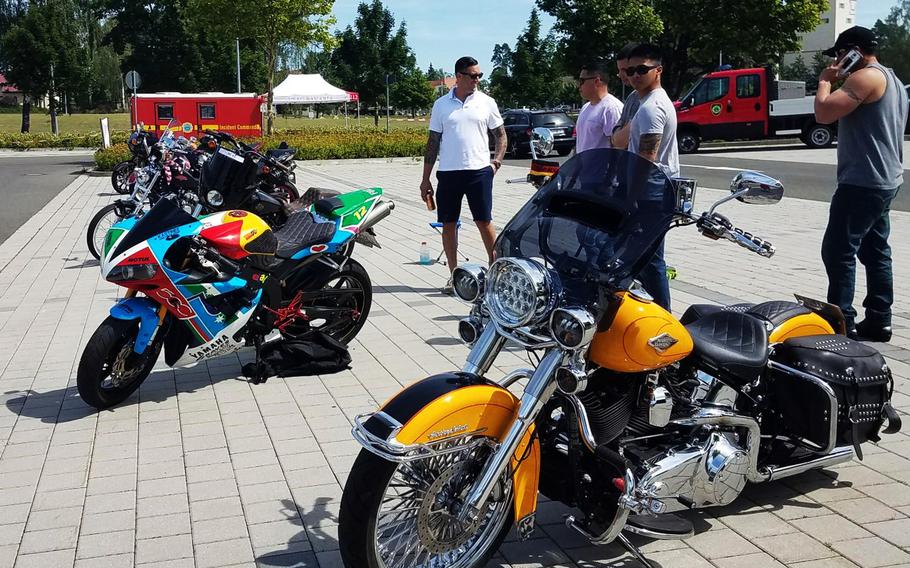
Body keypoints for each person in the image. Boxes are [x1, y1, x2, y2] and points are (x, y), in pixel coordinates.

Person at [815, 26, 908, 342]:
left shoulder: (864, 77)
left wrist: (826, 82)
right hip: (885, 178)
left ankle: (843, 324)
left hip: (863, 181)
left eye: (840, 54)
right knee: (875, 250)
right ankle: (880, 320)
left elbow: (824, 113)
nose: (838, 60)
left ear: (852, 51)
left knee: (838, 251)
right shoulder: (892, 78)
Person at [421, 56, 507, 294]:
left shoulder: (487, 102)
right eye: (472, 76)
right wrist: (425, 178)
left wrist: (496, 162)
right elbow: (432, 143)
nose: (477, 80)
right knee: (448, 224)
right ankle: (454, 275)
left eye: (479, 75)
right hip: (448, 173)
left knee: (484, 221)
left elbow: (500, 135)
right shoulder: (441, 105)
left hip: (479, 172)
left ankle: (496, 273)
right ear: (458, 77)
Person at [624, 42, 679, 311]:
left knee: (650, 259)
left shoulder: (651, 108)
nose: (635, 75)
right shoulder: (652, 102)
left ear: (658, 70)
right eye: (631, 70)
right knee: (646, 257)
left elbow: (646, 159)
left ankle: (663, 318)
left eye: (642, 70)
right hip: (656, 187)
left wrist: (629, 197)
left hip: (651, 189)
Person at [575, 61, 623, 152]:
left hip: (602, 166)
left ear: (596, 81)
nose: (578, 86)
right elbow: (581, 144)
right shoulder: (585, 107)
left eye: (582, 81)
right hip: (584, 166)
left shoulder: (611, 108)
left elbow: (618, 147)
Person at [610, 42, 641, 150]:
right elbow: (615, 139)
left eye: (625, 70)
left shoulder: (650, 101)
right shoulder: (632, 97)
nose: (620, 75)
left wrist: (622, 131)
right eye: (619, 70)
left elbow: (622, 140)